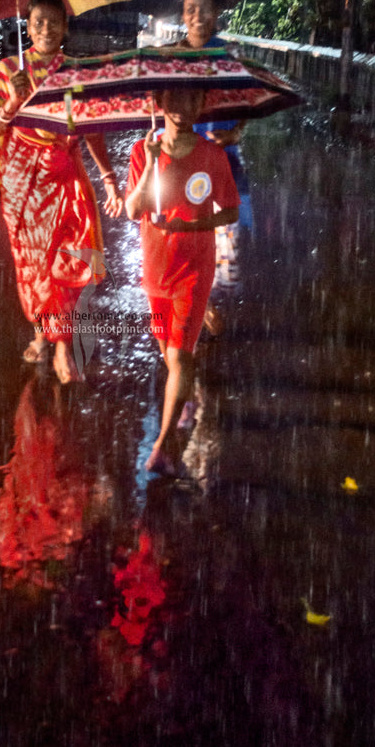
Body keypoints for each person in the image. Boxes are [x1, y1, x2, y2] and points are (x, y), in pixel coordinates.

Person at [0, 0, 122, 384]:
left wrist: (108, 177)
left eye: (53, 22)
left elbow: (91, 130)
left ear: (66, 28)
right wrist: (11, 104)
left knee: (67, 264)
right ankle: (42, 334)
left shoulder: (75, 72)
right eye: (37, 21)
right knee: (34, 267)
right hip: (22, 184)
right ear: (27, 25)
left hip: (65, 180)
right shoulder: (9, 69)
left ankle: (61, 344)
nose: (44, 29)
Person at [125, 87, 239, 476]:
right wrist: (150, 168)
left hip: (195, 267)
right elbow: (131, 210)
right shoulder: (143, 151)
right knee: (168, 353)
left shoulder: (212, 155)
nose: (182, 108)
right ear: (160, 102)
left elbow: (230, 213)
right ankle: (183, 396)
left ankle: (163, 443)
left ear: (201, 105)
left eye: (192, 100)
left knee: (181, 355)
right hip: (155, 269)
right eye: (174, 100)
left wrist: (193, 224)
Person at [176, 0, 252, 325]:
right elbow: (156, 102)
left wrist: (235, 132)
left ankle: (210, 297)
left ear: (216, 16)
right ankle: (197, 303)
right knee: (185, 237)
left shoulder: (228, 57)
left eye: (205, 10)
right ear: (182, 15)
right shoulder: (170, 59)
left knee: (226, 246)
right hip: (181, 162)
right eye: (191, 9)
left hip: (224, 163)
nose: (198, 17)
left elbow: (250, 97)